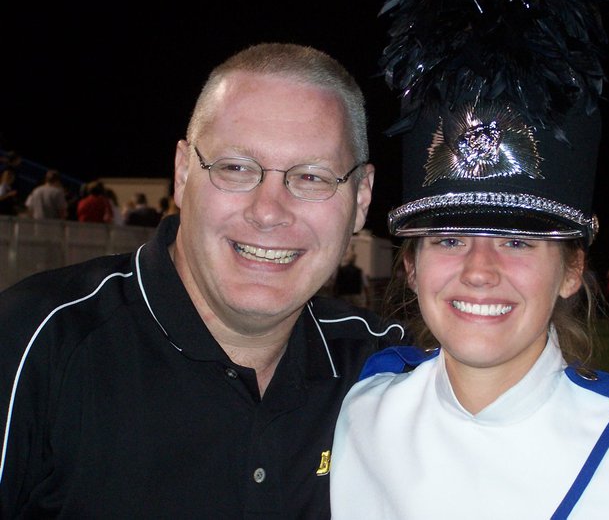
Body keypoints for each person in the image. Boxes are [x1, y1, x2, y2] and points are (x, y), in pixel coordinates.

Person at [331, 0, 609, 518]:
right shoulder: (358, 411)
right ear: (411, 266)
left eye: (517, 241)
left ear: (572, 269)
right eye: (449, 239)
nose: (479, 271)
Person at [0, 43, 407, 518]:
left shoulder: (383, 368)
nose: (268, 211)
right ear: (182, 173)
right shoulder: (34, 343)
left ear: (361, 198)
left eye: (312, 177)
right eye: (236, 168)